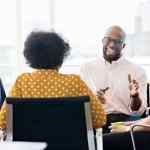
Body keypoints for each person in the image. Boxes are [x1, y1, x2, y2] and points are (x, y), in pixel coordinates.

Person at [0, 31, 106, 130]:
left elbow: (3, 121)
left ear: (31, 56)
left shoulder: (22, 82)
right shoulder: (75, 82)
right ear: (60, 57)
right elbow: (100, 119)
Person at [80, 25, 147, 133]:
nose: (112, 44)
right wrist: (95, 99)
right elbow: (84, 104)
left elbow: (138, 112)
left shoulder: (137, 71)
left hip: (126, 122)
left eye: (117, 41)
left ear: (123, 45)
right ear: (102, 41)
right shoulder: (87, 68)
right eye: (108, 40)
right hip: (97, 121)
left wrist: (135, 96)